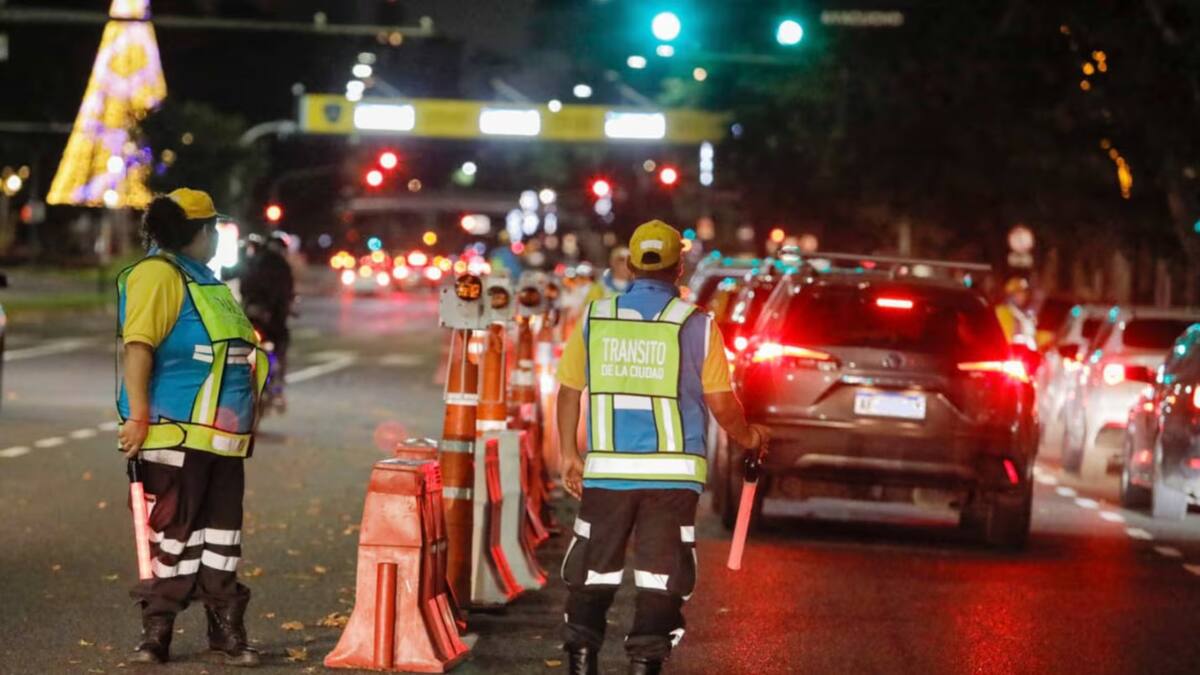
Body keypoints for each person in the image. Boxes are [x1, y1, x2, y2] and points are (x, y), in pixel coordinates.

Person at [554, 220, 770, 675]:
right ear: (679, 269)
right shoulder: (698, 326)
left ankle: (581, 658)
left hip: (608, 472)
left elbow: (570, 389)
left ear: (631, 266)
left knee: (594, 568)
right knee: (660, 576)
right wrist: (748, 437)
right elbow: (720, 403)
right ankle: (644, 664)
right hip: (673, 478)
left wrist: (569, 454)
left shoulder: (597, 318)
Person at [116, 189, 270, 666]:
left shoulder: (207, 280)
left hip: (220, 437)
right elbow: (139, 346)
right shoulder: (158, 275)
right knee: (175, 535)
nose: (216, 237)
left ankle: (226, 629)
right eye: (213, 229)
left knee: (222, 535)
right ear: (200, 232)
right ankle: (156, 633)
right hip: (174, 431)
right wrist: (139, 417)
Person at [239, 232, 295, 411]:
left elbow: (243, 286)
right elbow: (286, 294)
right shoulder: (282, 267)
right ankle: (278, 389)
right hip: (272, 321)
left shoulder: (254, 261)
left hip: (250, 316)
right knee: (282, 344)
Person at [995, 277, 1037, 349]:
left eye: (1024, 293)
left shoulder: (1024, 314)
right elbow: (1005, 337)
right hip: (1013, 354)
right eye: (1019, 293)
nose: (1023, 296)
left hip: (1028, 353)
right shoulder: (1003, 311)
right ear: (1011, 295)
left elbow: (1032, 336)